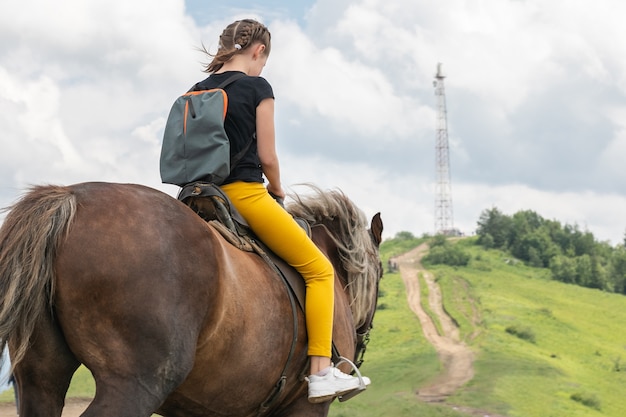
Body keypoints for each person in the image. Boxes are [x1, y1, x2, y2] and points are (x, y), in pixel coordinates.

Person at [195, 19, 370, 403]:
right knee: (320, 271)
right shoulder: (257, 87)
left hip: (196, 197)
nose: (262, 68)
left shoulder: (196, 90)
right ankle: (322, 373)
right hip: (243, 195)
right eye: (263, 61)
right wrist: (276, 190)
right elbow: (268, 156)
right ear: (258, 51)